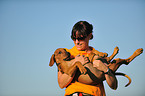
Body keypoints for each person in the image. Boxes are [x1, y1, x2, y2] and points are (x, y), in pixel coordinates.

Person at [58, 21, 118, 96]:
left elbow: (114, 86)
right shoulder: (67, 55)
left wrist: (106, 70)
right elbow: (61, 84)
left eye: (80, 38)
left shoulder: (98, 55)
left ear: (90, 36)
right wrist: (75, 62)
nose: (77, 42)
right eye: (74, 38)